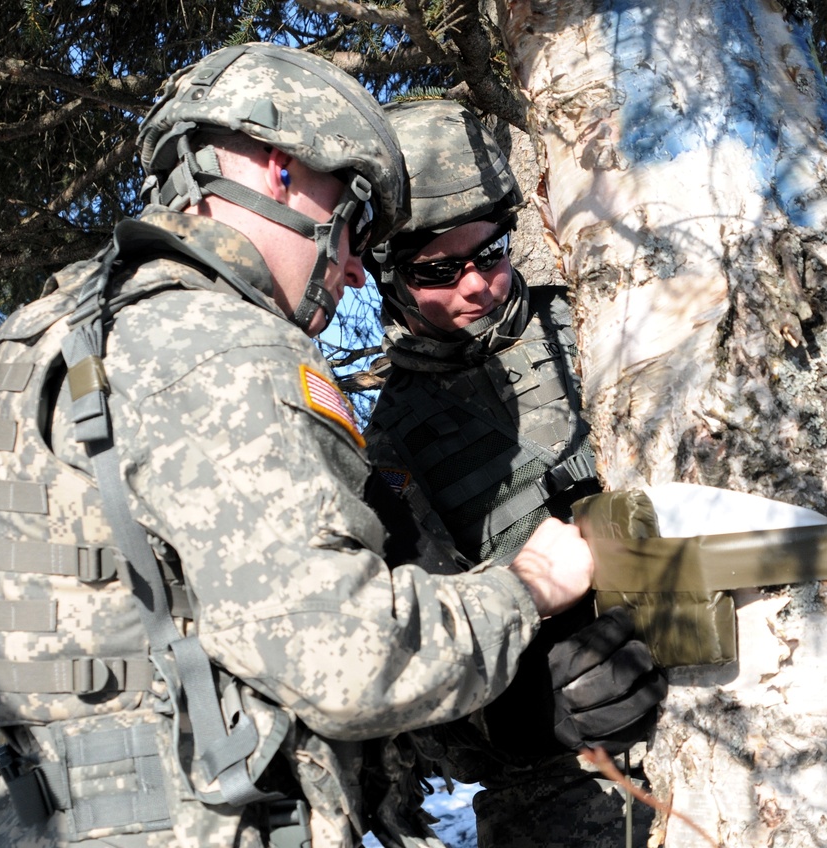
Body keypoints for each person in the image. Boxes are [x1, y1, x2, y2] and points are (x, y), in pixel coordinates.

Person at [0, 44, 600, 848]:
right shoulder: (223, 340)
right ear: (280, 171)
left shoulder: (46, 335)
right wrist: (529, 585)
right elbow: (351, 661)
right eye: (354, 223)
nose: (356, 271)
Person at [364, 100, 668, 847]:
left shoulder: (605, 322)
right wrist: (536, 712)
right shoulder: (387, 453)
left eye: (491, 254)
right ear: (388, 277)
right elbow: (412, 680)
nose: (477, 286)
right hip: (567, 772)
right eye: (438, 268)